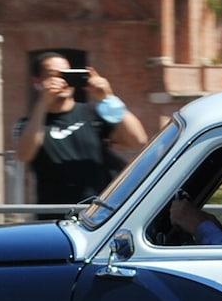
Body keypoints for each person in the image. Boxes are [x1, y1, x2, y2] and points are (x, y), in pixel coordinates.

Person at [14, 53, 151, 208]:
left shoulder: (92, 113)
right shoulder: (29, 124)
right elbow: (24, 155)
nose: (62, 81)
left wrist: (108, 98)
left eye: (66, 74)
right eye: (53, 75)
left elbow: (137, 139)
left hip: (99, 211)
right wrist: (42, 104)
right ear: (37, 81)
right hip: (57, 212)